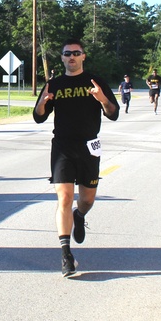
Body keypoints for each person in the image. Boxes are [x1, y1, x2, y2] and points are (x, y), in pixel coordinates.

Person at [33, 39, 119, 277]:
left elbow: (113, 114)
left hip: (89, 146)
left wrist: (101, 98)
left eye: (76, 53)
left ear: (83, 56)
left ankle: (79, 216)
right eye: (67, 53)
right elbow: (38, 117)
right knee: (65, 197)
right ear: (61, 58)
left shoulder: (95, 81)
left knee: (87, 199)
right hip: (62, 147)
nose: (71, 56)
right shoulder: (55, 84)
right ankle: (66, 255)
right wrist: (42, 103)